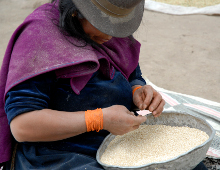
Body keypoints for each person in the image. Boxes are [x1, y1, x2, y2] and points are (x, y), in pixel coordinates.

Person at [0, 0, 207, 169]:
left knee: (191, 165)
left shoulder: (112, 23)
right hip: (60, 151)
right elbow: (22, 126)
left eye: (119, 26)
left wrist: (137, 89)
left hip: (119, 136)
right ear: (77, 11)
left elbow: (130, 70)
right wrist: (97, 119)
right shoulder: (40, 37)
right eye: (104, 24)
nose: (112, 35)